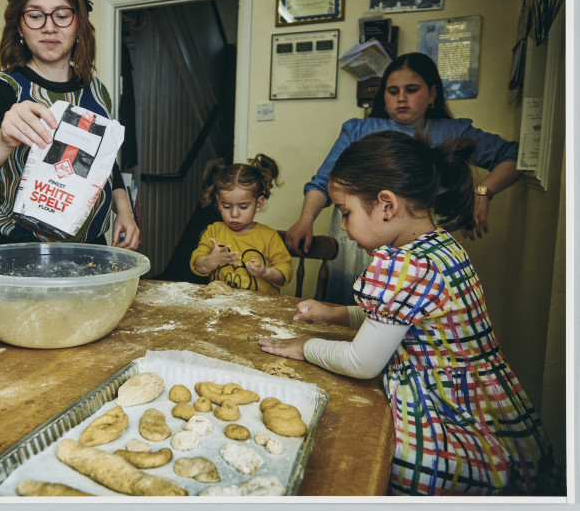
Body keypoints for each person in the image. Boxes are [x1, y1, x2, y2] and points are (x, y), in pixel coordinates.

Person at [260, 131, 553, 495]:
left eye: (345, 213)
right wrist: (334, 314)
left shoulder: (404, 266)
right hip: (484, 405)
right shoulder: (441, 246)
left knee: (360, 463)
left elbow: (361, 362)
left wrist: (304, 346)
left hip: (445, 420)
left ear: (386, 205)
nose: (345, 228)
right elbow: (407, 322)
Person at [285, 52, 523, 304]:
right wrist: (306, 219)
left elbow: (520, 156)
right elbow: (325, 180)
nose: (401, 98)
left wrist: (482, 192)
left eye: (411, 90)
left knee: (407, 306)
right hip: (361, 239)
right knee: (356, 305)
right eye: (392, 91)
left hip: (416, 239)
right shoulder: (358, 129)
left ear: (432, 94)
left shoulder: (453, 131)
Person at [0, 0, 139, 249]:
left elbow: (102, 161)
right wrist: (3, 138)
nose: (49, 27)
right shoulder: (3, 88)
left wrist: (123, 209)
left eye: (61, 15)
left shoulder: (96, 92)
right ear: (20, 27)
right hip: (16, 254)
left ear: (79, 25)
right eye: (35, 15)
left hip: (89, 252)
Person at [189, 155, 293, 294]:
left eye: (243, 207)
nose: (234, 214)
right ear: (219, 202)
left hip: (260, 310)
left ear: (258, 204)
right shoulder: (214, 232)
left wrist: (265, 272)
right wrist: (210, 261)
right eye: (226, 206)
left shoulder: (269, 237)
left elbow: (284, 275)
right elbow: (197, 265)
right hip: (220, 306)